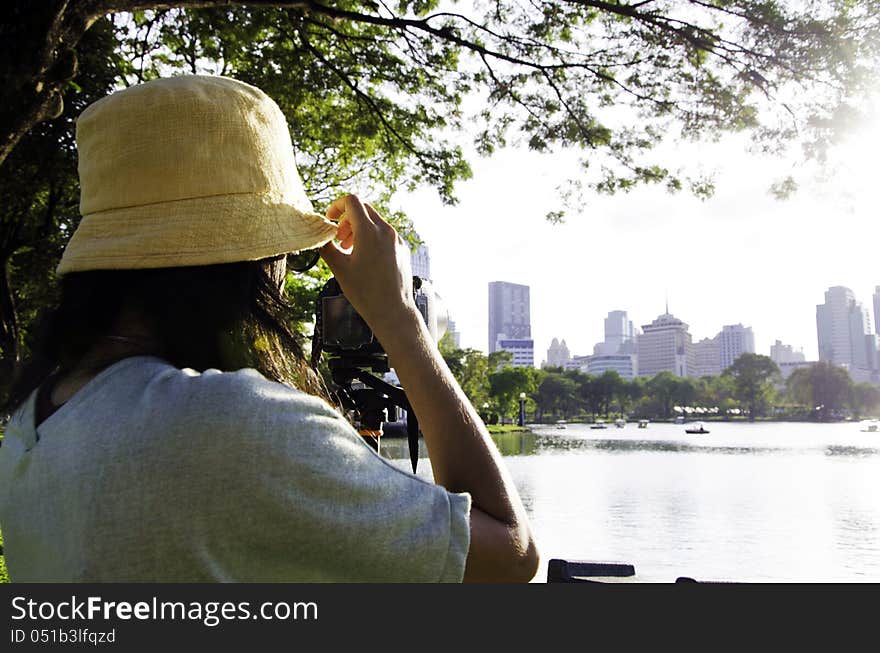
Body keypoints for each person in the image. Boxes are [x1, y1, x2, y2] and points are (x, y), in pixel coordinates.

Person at [0, 75, 538, 582]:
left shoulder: (31, 422)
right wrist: (401, 322)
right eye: (285, 251)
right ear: (250, 261)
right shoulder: (229, 424)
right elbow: (510, 557)